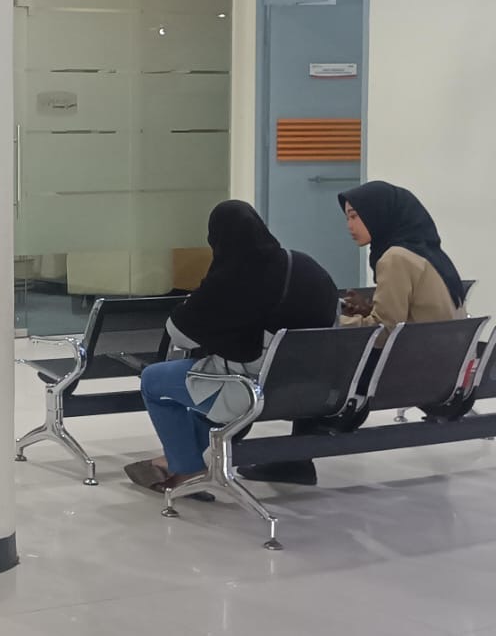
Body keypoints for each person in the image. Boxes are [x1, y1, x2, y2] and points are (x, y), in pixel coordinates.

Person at [125, 202, 339, 496]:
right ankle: (178, 459)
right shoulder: (306, 267)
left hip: (253, 390)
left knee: (154, 380)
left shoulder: (232, 278)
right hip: (313, 391)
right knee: (206, 385)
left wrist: (200, 294)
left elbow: (179, 334)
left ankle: (186, 469)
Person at [338, 181, 465, 329]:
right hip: (445, 343)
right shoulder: (427, 254)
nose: (349, 226)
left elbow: (384, 330)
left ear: (378, 213)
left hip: (421, 344)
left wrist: (332, 322)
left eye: (354, 216)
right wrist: (369, 311)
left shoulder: (395, 258)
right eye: (347, 218)